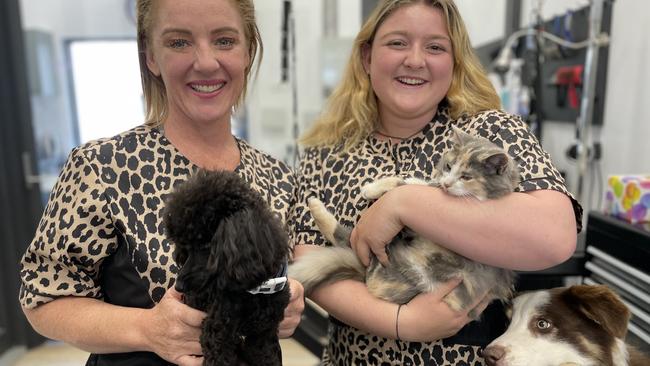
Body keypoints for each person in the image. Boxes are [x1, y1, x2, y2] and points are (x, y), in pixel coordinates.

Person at [290, 0, 582, 365]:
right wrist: (401, 322)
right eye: (397, 43)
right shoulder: (327, 151)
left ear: (455, 61)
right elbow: (310, 258)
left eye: (435, 47)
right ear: (367, 57)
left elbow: (555, 237)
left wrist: (402, 204)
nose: (415, 59)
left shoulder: (490, 131)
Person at [19, 1, 304, 365]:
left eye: (224, 40)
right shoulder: (101, 168)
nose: (205, 62)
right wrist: (147, 329)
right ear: (150, 56)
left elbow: (283, 279)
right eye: (179, 42)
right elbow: (43, 298)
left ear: (248, 51)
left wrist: (289, 296)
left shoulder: (278, 177)